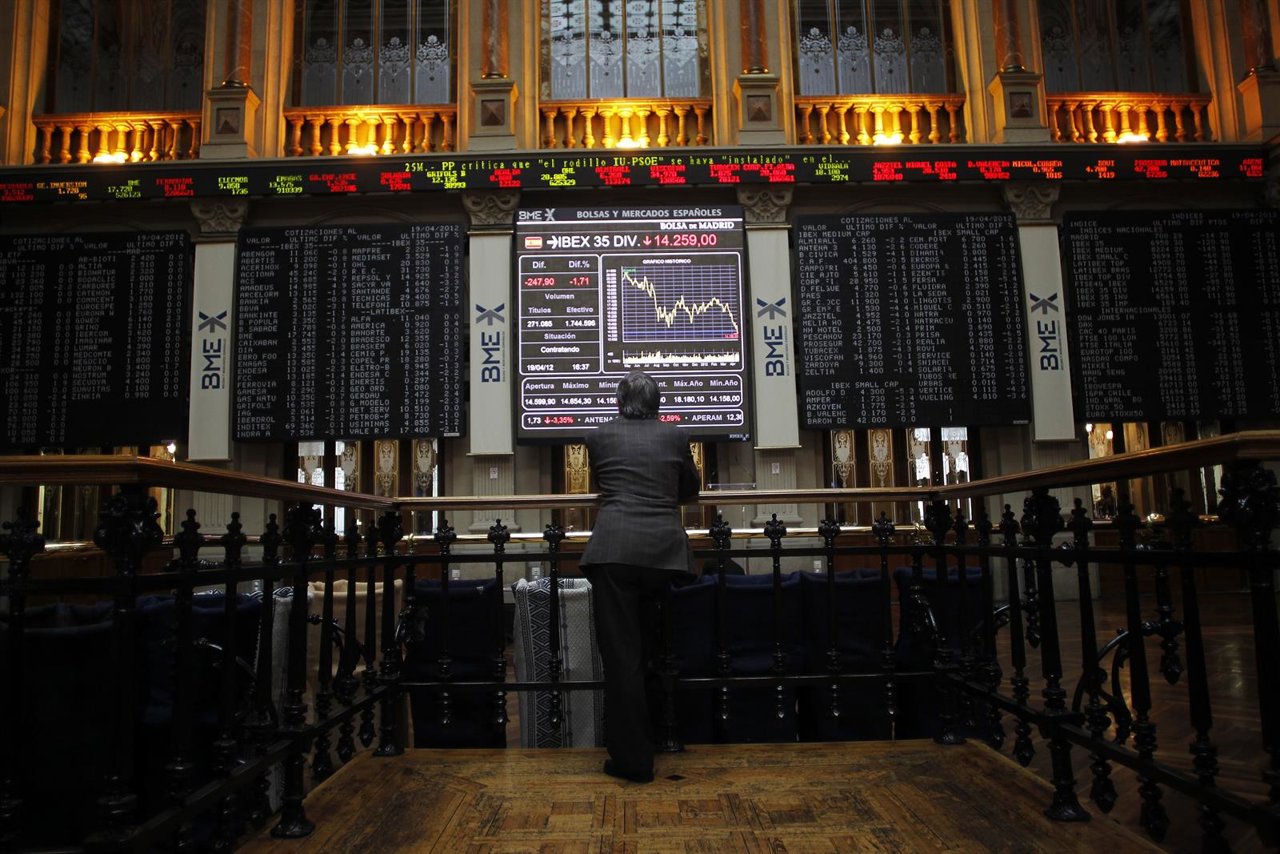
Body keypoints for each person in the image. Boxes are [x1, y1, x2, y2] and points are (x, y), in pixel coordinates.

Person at [579, 370, 700, 784]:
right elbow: (690, 488)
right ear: (658, 404)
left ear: (618, 402)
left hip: (613, 553)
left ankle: (633, 760)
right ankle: (668, 734)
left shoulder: (597, 437)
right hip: (665, 556)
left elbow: (603, 482)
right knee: (660, 648)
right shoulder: (676, 436)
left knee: (622, 657)